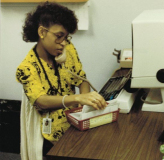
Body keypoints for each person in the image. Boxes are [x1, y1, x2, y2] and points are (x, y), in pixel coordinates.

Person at [16, 1, 107, 156]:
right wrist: (76, 97)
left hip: (74, 123)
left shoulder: (67, 49)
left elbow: (81, 79)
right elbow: (40, 100)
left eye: (66, 37)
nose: (63, 43)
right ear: (42, 32)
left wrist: (84, 106)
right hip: (49, 133)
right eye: (59, 36)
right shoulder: (26, 68)